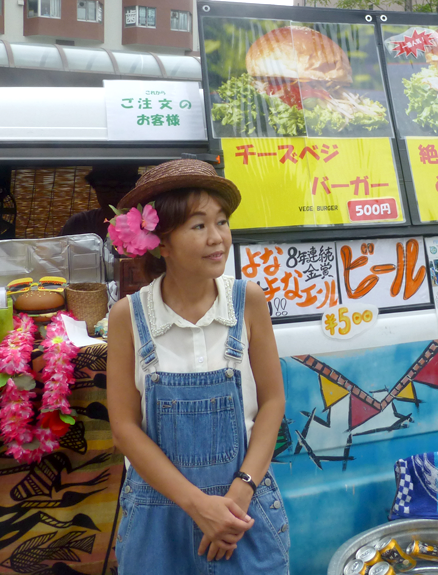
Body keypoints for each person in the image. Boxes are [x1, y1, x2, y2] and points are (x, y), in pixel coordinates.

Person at [106, 160, 289, 574]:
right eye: (198, 226)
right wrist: (197, 505)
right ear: (161, 243)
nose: (217, 238)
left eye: (221, 222)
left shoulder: (249, 301)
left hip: (243, 509)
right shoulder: (128, 316)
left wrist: (239, 495)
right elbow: (125, 429)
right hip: (158, 518)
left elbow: (273, 402)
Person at [60, 165, 141, 239]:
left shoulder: (146, 226)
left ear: (134, 188)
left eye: (122, 187)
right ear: (95, 188)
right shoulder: (78, 224)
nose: (112, 194)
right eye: (104, 187)